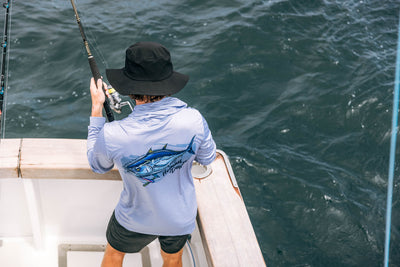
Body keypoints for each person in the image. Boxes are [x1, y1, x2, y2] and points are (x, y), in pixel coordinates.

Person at [87, 41, 216, 267]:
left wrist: (97, 108)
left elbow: (98, 165)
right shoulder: (193, 119)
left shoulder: (114, 133)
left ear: (128, 87)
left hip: (134, 220)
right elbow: (207, 158)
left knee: (114, 255)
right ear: (168, 83)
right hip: (179, 219)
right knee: (174, 259)